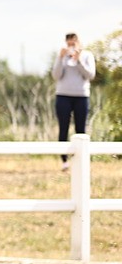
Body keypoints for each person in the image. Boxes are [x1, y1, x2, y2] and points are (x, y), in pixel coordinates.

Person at [52, 32, 96, 170]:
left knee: (80, 129)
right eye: (69, 43)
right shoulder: (61, 56)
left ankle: (80, 161)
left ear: (79, 42)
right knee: (63, 128)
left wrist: (78, 61)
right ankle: (64, 161)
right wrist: (60, 58)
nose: (71, 45)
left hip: (81, 96)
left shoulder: (87, 55)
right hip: (63, 95)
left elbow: (90, 75)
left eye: (74, 42)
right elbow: (55, 75)